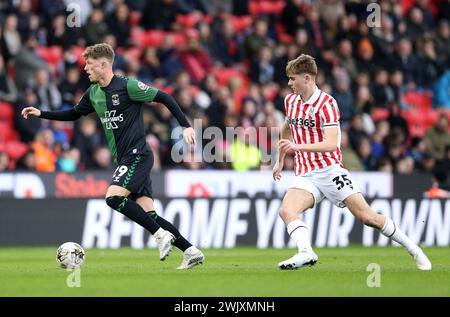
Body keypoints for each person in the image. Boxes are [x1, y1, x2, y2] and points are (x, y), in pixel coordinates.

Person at [22, 43, 205, 269]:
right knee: (150, 215)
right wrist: (42, 113)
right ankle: (190, 251)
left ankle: (160, 235)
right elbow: (73, 114)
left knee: (113, 198)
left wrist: (186, 126)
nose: (86, 69)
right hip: (126, 159)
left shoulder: (127, 86)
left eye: (89, 65)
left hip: (137, 155)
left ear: (103, 64)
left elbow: (165, 97)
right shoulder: (94, 93)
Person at [272, 54, 431, 270]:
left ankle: (414, 250)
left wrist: (297, 147)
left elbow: (330, 143)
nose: (289, 83)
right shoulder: (290, 100)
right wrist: (280, 159)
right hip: (305, 174)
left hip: (330, 171)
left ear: (307, 78)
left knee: (368, 217)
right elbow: (287, 127)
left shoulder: (326, 104)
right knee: (286, 210)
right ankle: (306, 252)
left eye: (292, 79)